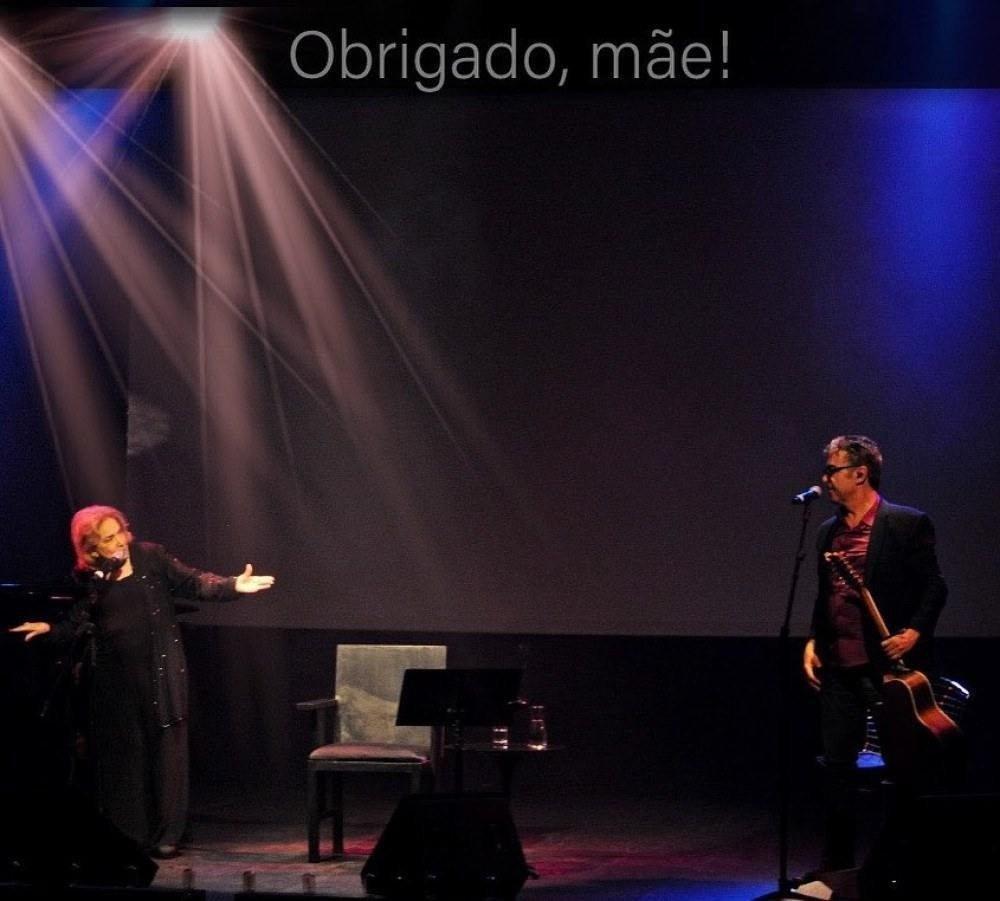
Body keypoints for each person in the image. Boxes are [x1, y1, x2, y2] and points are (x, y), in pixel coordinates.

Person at [9, 505, 275, 859]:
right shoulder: (91, 579)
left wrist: (233, 585)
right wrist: (50, 629)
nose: (119, 541)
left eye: (120, 531)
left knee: (168, 756)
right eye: (108, 538)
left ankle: (167, 835)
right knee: (124, 759)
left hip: (160, 674)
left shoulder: (150, 558)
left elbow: (194, 582)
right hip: (113, 682)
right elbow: (78, 622)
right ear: (91, 548)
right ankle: (130, 835)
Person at [801, 435, 948, 875]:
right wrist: (813, 640)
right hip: (839, 666)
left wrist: (913, 633)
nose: (825, 478)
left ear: (860, 473)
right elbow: (826, 596)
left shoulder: (905, 523)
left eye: (833, 470)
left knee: (903, 769)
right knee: (837, 768)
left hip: (884, 669)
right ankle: (837, 867)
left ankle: (899, 864)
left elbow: (935, 587)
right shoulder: (828, 532)